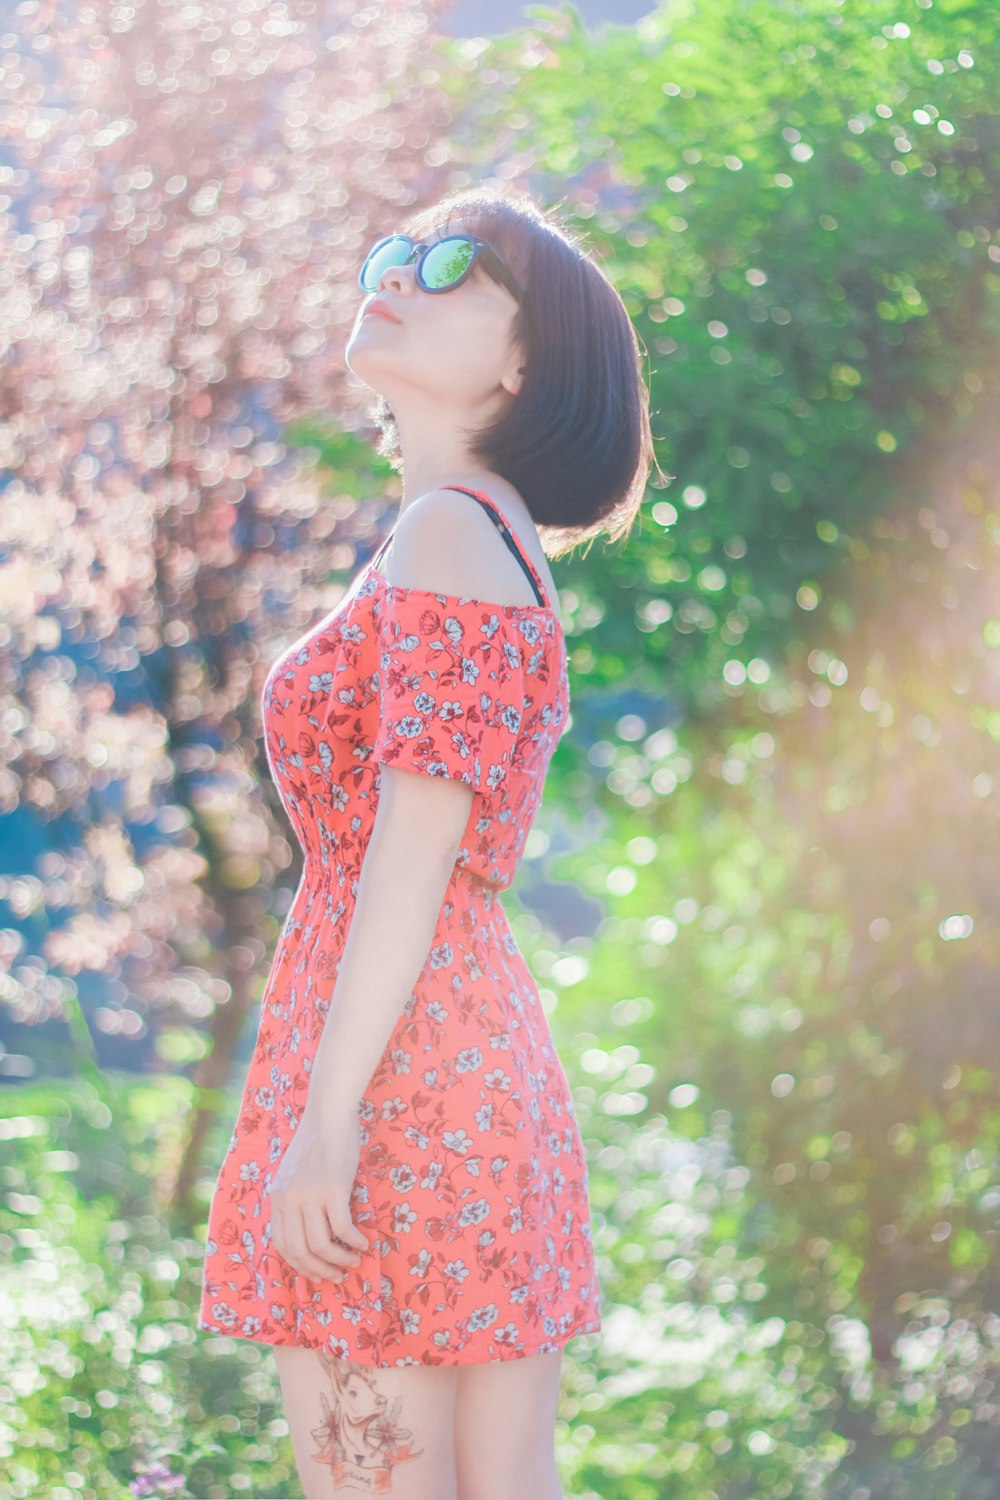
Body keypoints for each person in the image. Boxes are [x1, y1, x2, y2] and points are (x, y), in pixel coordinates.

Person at [198, 186, 655, 1499]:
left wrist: (326, 1120)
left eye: (456, 264)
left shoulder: (449, 533)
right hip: (456, 1048)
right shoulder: (476, 533)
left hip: (400, 1076)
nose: (402, 271)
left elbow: (411, 857)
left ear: (524, 361)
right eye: (394, 251)